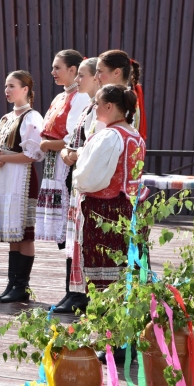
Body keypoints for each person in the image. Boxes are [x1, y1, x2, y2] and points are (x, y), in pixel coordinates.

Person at [71, 85, 146, 295]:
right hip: (130, 210)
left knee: (106, 276)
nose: (94, 108)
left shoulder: (110, 136)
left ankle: (106, 322)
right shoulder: (134, 135)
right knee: (126, 271)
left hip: (106, 212)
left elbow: (90, 179)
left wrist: (78, 178)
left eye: (97, 103)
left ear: (109, 106)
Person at [36, 50, 91, 306]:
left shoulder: (80, 97)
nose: (53, 72)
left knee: (73, 230)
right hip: (55, 164)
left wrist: (49, 145)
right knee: (68, 233)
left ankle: (78, 291)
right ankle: (71, 290)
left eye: (58, 67)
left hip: (67, 165)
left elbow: (73, 137)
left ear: (73, 70)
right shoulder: (61, 96)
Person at [0, 70, 44, 303]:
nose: (7, 90)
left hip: (22, 177)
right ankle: (12, 283)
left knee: (25, 235)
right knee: (14, 235)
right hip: (5, 176)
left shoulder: (32, 117)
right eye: (6, 86)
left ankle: (22, 285)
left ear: (25, 90)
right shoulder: (5, 118)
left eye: (12, 86)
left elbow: (33, 154)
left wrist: (4, 158)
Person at [56, 57, 101, 313]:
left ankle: (82, 295)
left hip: (90, 180)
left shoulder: (103, 107)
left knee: (85, 239)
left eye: (81, 75)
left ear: (97, 76)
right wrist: (68, 153)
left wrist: (75, 152)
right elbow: (70, 143)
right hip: (77, 177)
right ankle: (72, 292)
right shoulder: (88, 108)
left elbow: (99, 143)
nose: (77, 80)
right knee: (74, 237)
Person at [95, 50, 147, 140]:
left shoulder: (120, 100)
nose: (96, 76)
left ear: (116, 72)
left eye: (100, 71)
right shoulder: (115, 96)